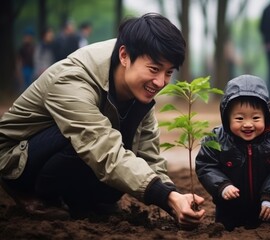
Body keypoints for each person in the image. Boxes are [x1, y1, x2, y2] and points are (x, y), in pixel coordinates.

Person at [0, 13, 205, 228]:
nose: (160, 81)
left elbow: (149, 158)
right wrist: (166, 197)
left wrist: (173, 199)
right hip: (18, 158)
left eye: (168, 72)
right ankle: (29, 191)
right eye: (154, 69)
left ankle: (80, 201)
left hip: (82, 150)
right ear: (124, 56)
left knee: (120, 171)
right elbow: (100, 146)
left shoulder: (138, 92)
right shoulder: (73, 79)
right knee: (88, 141)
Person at [195, 75, 270, 231]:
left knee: (269, 232)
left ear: (266, 116)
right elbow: (205, 165)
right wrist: (222, 185)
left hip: (265, 209)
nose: (248, 124)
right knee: (225, 230)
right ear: (226, 117)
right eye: (239, 118)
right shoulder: (216, 139)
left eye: (256, 118)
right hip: (228, 211)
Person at [18, 27, 35, 91]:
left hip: (32, 68)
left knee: (30, 85)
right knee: (24, 86)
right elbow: (19, 59)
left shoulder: (34, 47)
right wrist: (19, 70)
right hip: (24, 68)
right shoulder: (22, 48)